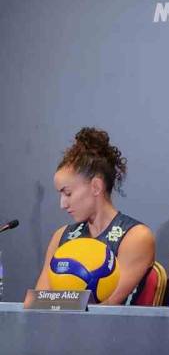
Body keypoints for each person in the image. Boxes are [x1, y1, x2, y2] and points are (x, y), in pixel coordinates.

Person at [32, 127, 155, 305]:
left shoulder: (136, 237)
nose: (62, 204)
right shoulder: (61, 236)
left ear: (96, 187)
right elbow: (39, 304)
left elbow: (106, 308)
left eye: (68, 193)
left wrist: (60, 306)